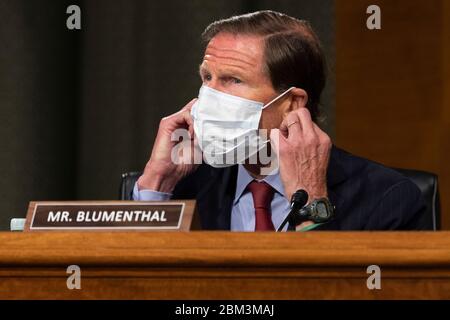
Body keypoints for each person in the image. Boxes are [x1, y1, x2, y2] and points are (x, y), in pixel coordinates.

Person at [132, 10, 426, 231]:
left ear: (292, 103)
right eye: (207, 77)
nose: (208, 98)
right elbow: (132, 289)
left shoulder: (388, 199)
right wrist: (158, 180)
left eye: (233, 80)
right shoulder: (182, 188)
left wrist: (310, 198)